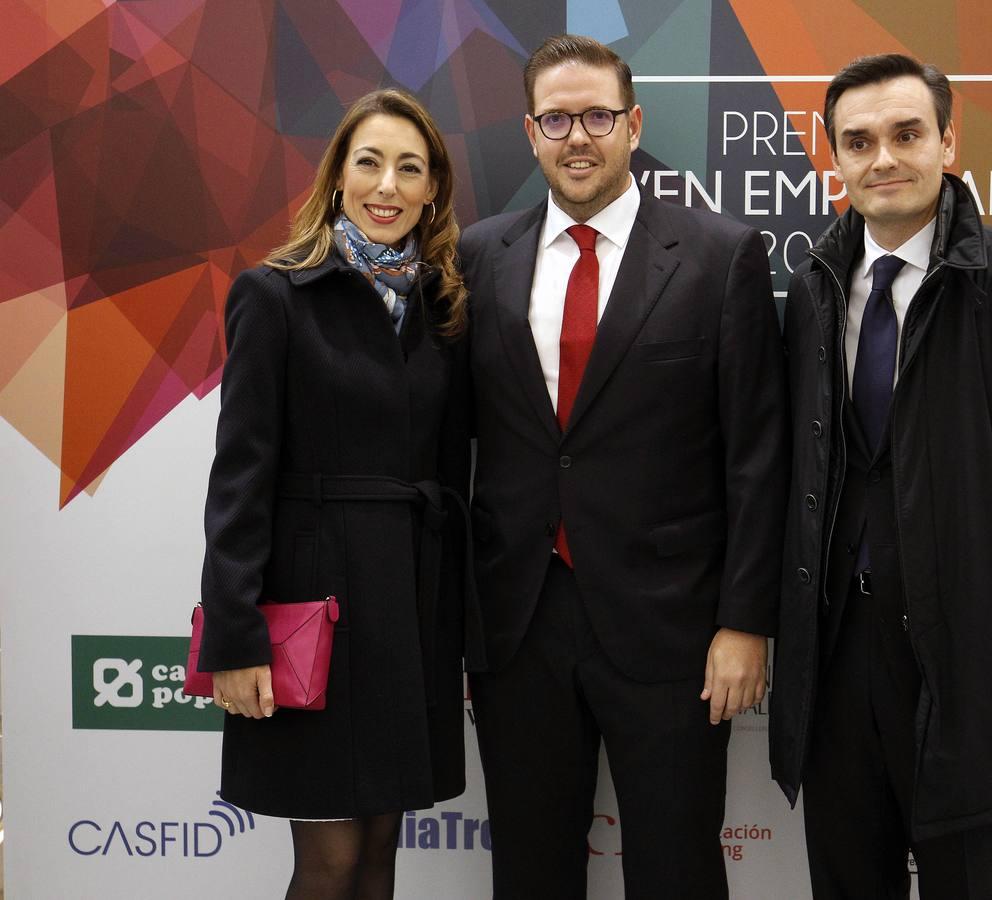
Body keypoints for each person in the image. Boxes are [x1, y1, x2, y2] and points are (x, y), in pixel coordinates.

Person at [769, 54, 992, 899]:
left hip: (962, 645)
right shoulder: (812, 290)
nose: (882, 157)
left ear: (948, 142)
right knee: (847, 876)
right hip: (834, 651)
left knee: (965, 874)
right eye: (858, 141)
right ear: (834, 159)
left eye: (905, 134)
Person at [458, 33, 788, 900]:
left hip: (674, 629)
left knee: (676, 870)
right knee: (530, 871)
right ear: (530, 133)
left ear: (634, 123)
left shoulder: (720, 257)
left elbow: (758, 456)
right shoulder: (480, 256)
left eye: (597, 115)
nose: (578, 137)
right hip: (518, 626)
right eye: (556, 119)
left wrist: (746, 621)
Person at [197, 88, 471, 900]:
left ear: (432, 191)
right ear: (339, 178)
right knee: (330, 862)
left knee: (380, 851)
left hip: (408, 615)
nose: (387, 185)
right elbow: (238, 479)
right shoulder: (274, 293)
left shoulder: (443, 307)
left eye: (409, 168)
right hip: (310, 611)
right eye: (369, 162)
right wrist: (235, 639)